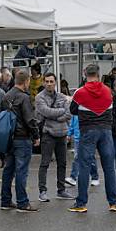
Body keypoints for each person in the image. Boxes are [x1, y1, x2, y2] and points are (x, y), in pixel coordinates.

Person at [69, 64, 116, 214]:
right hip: (106, 131)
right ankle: (113, 203)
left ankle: (81, 203)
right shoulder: (108, 91)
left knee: (84, 166)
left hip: (88, 130)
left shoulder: (80, 92)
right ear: (98, 74)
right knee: (109, 167)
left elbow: (72, 110)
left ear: (85, 74)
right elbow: (112, 107)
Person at [0, 70, 39, 212]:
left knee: (8, 170)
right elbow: (29, 119)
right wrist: (36, 135)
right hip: (22, 138)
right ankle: (22, 202)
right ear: (26, 81)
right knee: (21, 171)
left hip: (9, 138)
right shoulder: (24, 97)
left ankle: (5, 200)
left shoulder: (6, 96)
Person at [35, 72, 72, 202]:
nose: (49, 84)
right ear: (43, 82)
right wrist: (61, 112)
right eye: (47, 81)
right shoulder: (39, 97)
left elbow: (69, 113)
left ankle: (61, 190)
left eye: (51, 81)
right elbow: (45, 111)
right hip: (48, 134)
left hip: (62, 134)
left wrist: (55, 115)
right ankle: (42, 191)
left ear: (56, 82)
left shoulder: (62, 96)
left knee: (62, 163)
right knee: (45, 163)